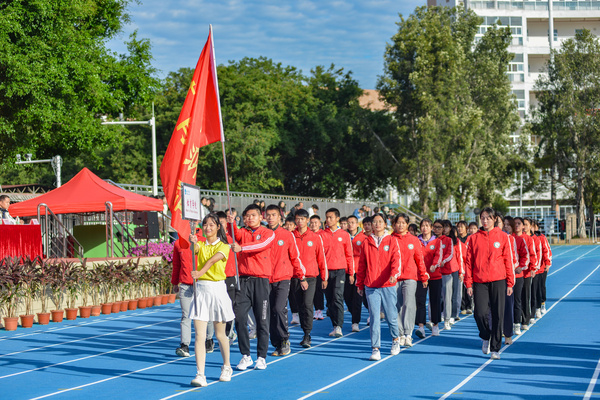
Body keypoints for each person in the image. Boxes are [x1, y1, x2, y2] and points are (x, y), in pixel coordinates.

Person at [188, 213, 235, 387]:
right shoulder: (200, 244)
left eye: (212, 225)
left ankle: (226, 366)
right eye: (205, 225)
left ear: (218, 228)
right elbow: (194, 251)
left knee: (220, 334)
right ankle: (200, 374)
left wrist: (200, 273)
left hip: (217, 290)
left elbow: (213, 260)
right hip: (201, 291)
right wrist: (192, 241)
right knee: (200, 335)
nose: (208, 228)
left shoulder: (224, 246)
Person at [227, 204, 275, 371]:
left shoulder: (268, 233)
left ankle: (261, 357)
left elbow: (260, 245)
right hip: (244, 281)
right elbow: (234, 233)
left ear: (260, 217)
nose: (249, 218)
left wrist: (242, 248)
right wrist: (231, 222)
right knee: (239, 317)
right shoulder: (243, 232)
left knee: (262, 320)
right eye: (246, 216)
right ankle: (245, 355)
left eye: (253, 215)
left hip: (261, 281)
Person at [465, 207, 514, 360]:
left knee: (498, 314)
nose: (485, 221)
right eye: (483, 218)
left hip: (499, 280)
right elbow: (468, 262)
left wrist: (510, 283)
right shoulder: (473, 238)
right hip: (480, 281)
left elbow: (508, 260)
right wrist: (468, 283)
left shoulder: (503, 236)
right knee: (479, 313)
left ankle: (495, 348)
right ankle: (485, 336)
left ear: (494, 219)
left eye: (488, 218)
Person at [356, 213, 402, 361]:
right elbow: (362, 265)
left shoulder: (392, 240)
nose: (377, 224)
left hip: (388, 284)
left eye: (379, 221)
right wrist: (360, 283)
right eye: (374, 222)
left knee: (391, 316)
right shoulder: (366, 242)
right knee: (374, 317)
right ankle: (375, 348)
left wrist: (394, 274)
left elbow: (396, 260)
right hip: (371, 285)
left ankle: (395, 340)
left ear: (385, 223)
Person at [265, 205, 305, 357]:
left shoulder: (287, 235)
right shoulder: (263, 234)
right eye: (268, 215)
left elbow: (295, 257)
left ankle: (284, 339)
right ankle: (276, 343)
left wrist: (301, 276)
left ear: (279, 217)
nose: (270, 217)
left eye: (273, 215)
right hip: (266, 278)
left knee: (278, 308)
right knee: (269, 312)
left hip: (283, 277)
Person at [292, 209, 328, 348]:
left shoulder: (315, 237)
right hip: (295, 277)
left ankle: (307, 334)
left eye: (302, 219)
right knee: (300, 306)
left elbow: (321, 258)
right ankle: (304, 331)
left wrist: (324, 277)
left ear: (307, 220)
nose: (300, 221)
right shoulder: (291, 236)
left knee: (307, 305)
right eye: (297, 219)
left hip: (311, 277)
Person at [392, 213, 428, 347]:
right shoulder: (390, 239)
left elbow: (420, 259)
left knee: (409, 304)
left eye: (403, 223)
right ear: (394, 224)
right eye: (398, 222)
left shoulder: (413, 240)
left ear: (407, 224)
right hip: (394, 278)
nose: (400, 225)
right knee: (396, 305)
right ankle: (400, 333)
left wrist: (424, 276)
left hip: (410, 277)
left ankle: (408, 334)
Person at [172, 221, 206, 358]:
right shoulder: (178, 243)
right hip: (186, 284)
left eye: (194, 221)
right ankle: (184, 345)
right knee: (186, 316)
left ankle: (208, 340)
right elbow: (176, 264)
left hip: (202, 284)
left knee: (205, 315)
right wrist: (175, 282)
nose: (191, 223)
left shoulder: (205, 240)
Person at [324, 208, 355, 337]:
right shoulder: (321, 234)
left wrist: (351, 273)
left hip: (340, 271)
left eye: (331, 217)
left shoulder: (344, 234)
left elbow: (349, 255)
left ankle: (338, 326)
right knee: (330, 299)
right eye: (327, 217)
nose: (328, 219)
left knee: (338, 297)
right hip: (326, 272)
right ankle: (334, 324)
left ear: (337, 218)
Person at [418, 219, 443, 336]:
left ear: (431, 228)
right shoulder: (417, 241)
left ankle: (435, 325)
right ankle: (421, 326)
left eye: (427, 226)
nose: (425, 228)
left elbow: (439, 255)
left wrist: (434, 265)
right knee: (420, 301)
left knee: (435, 301)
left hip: (435, 275)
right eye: (422, 226)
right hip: (420, 276)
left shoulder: (437, 241)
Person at [217, 211, 239, 344]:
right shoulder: (211, 240)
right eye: (217, 223)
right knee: (217, 308)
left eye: (222, 223)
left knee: (229, 306)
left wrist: (233, 222)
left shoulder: (232, 239)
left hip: (230, 276)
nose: (220, 225)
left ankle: (228, 333)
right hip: (216, 278)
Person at [434, 220, 458, 331]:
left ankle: (447, 320)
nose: (437, 229)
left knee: (447, 297)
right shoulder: (432, 240)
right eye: (435, 227)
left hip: (446, 272)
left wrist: (442, 261)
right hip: (434, 273)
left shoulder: (448, 240)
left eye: (440, 227)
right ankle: (434, 321)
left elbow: (450, 254)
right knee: (434, 299)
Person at [346, 215, 365, 332]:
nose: (350, 225)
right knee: (347, 297)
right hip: (346, 270)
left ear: (357, 224)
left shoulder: (363, 237)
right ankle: (353, 313)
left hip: (358, 271)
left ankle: (355, 322)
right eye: (348, 222)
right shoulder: (343, 235)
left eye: (353, 222)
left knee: (357, 297)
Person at [512, 217, 529, 336]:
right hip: (505, 276)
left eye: (519, 224)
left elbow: (527, 255)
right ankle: (506, 324)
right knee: (506, 302)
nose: (516, 225)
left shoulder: (522, 240)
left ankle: (518, 323)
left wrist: (521, 267)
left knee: (519, 299)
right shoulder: (507, 238)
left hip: (519, 275)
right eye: (514, 224)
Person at [520, 217, 538, 331]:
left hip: (525, 273)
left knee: (525, 296)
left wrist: (532, 268)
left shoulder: (529, 239)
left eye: (526, 224)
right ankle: (517, 318)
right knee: (516, 298)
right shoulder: (513, 238)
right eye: (523, 224)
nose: (525, 227)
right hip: (515, 274)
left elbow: (532, 254)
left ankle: (525, 319)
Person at [310, 214, 329, 320]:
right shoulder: (307, 234)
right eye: (311, 223)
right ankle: (314, 309)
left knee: (320, 289)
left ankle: (320, 310)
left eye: (315, 223)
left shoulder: (323, 235)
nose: (313, 225)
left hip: (321, 265)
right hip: (310, 265)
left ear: (320, 224)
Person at [457, 221, 473, 315]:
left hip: (469, 265)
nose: (460, 229)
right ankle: (463, 307)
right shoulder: (457, 240)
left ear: (466, 228)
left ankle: (469, 306)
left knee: (469, 287)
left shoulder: (470, 238)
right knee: (461, 289)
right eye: (458, 227)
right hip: (461, 266)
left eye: (462, 227)